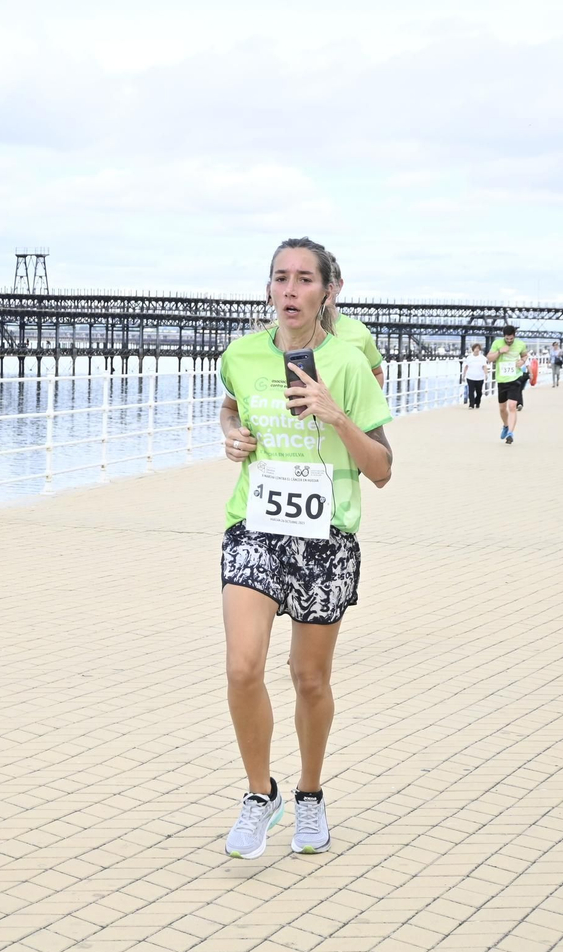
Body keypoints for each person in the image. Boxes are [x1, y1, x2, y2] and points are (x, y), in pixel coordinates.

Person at [217, 237, 393, 859]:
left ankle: (311, 794)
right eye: (280, 278)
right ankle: (259, 795)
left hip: (325, 538)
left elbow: (381, 469)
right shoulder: (240, 354)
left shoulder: (345, 362)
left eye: (304, 279)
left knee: (309, 678)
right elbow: (232, 409)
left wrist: (335, 414)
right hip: (255, 528)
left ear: (327, 292)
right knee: (243, 667)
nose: (290, 290)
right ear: (268, 289)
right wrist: (233, 436)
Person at [329, 257, 386, 388]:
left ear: (339, 285)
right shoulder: (281, 329)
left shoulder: (359, 331)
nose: (325, 289)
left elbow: (376, 373)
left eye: (329, 282)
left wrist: (368, 406)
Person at [489, 325, 527, 443]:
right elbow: (489, 358)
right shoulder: (497, 343)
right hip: (502, 379)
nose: (509, 341)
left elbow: (525, 355)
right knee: (502, 408)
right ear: (504, 336)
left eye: (511, 339)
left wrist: (522, 361)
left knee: (512, 406)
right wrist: (500, 351)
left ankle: (510, 433)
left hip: (515, 378)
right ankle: (505, 425)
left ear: (514, 336)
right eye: (507, 339)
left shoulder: (521, 344)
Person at [461, 343, 487, 409]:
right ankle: (471, 404)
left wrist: (486, 374)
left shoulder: (482, 358)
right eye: (475, 348)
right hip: (470, 376)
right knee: (471, 391)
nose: (477, 350)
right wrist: (464, 375)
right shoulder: (469, 357)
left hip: (479, 377)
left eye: (478, 348)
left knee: (479, 392)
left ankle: (477, 402)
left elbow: (484, 367)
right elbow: (466, 366)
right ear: (473, 349)